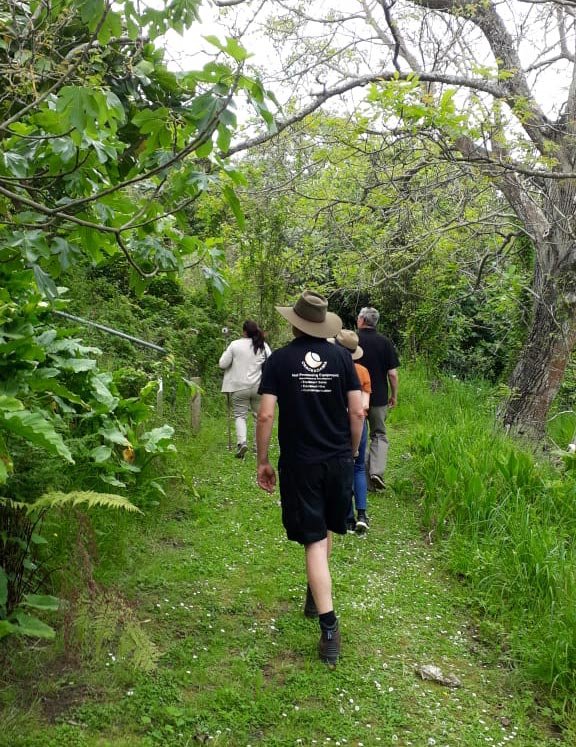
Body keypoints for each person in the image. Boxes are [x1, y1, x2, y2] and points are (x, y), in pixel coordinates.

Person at [256, 291, 364, 666]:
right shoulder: (342, 358)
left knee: (314, 542)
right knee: (325, 531)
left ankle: (329, 626)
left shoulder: (280, 361)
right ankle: (314, 592)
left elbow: (266, 415)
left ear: (294, 322)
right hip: (336, 460)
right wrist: (349, 453)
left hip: (300, 463)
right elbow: (358, 412)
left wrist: (263, 459)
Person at [332, 330, 371, 534]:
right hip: (360, 421)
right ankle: (362, 514)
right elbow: (364, 404)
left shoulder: (333, 367)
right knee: (358, 467)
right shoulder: (363, 371)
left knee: (343, 468)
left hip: (339, 422)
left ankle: (347, 517)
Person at [356, 307, 399, 491]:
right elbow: (393, 374)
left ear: (362, 320)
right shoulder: (385, 342)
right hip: (379, 397)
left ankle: (360, 475)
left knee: (357, 434)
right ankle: (376, 472)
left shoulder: (352, 340)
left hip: (354, 396)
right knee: (379, 434)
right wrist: (394, 395)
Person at [219, 320, 272, 458]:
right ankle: (257, 446)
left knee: (240, 416)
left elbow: (222, 364)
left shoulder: (235, 345)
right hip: (258, 387)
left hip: (238, 387)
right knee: (258, 417)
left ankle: (242, 442)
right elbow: (271, 363)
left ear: (244, 331)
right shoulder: (263, 345)